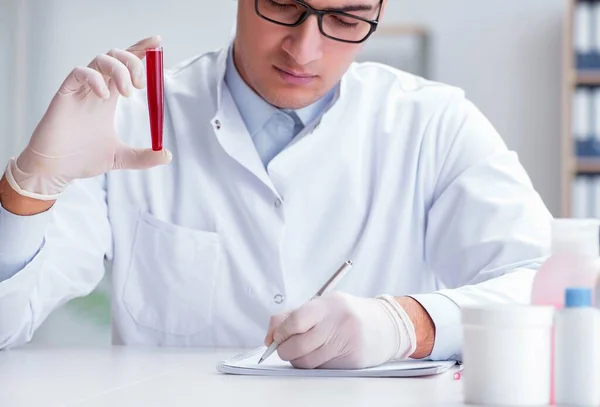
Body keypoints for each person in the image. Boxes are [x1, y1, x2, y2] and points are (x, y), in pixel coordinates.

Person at [0, 0, 551, 369]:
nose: (304, 49)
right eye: (286, 4)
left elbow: (547, 291)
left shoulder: (434, 124)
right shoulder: (129, 118)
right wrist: (31, 184)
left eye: (347, 17)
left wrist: (406, 324)